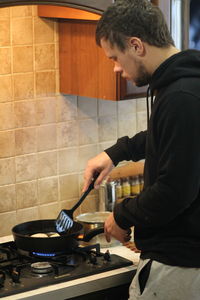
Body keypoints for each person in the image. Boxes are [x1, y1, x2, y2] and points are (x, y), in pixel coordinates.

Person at [82, 0, 200, 299]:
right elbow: (170, 137)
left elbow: (174, 191)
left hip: (182, 267)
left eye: (116, 57)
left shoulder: (181, 96)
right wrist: (118, 152)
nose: (116, 68)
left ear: (136, 45)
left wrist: (122, 215)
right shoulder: (183, 85)